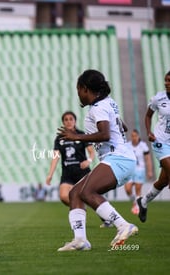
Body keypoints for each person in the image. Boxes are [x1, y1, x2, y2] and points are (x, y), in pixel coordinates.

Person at [57, 69, 138, 251]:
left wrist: (75, 136)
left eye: (78, 89)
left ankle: (124, 225)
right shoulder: (108, 103)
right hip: (120, 157)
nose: (78, 93)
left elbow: (104, 134)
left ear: (85, 89)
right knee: (75, 193)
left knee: (87, 192)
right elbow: (122, 126)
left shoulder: (98, 107)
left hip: (118, 158)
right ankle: (80, 240)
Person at [136, 70, 170, 223]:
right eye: (165, 80)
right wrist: (149, 132)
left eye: (169, 81)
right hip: (160, 140)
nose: (166, 83)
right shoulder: (159, 98)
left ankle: (143, 201)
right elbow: (148, 115)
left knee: (162, 181)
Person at [46, 111, 95, 206]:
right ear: (63, 122)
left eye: (71, 119)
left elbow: (92, 152)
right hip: (67, 173)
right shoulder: (59, 138)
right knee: (64, 196)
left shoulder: (81, 134)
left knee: (90, 198)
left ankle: (106, 217)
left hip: (82, 172)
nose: (68, 121)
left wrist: (89, 161)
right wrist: (50, 174)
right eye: (66, 120)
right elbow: (55, 157)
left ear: (75, 121)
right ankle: (80, 208)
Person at [124, 129, 153, 215]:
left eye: (135, 136)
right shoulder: (128, 145)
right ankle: (135, 201)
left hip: (140, 170)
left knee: (138, 189)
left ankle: (137, 206)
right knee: (128, 189)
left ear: (138, 136)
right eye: (132, 136)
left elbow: (148, 159)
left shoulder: (143, 146)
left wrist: (150, 171)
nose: (134, 138)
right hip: (130, 170)